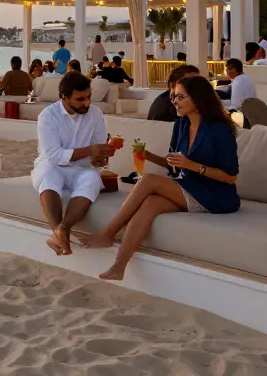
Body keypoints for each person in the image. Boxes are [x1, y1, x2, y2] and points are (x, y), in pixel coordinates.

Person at [82, 75, 239, 280]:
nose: (175, 101)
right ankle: (119, 266)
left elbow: (230, 177)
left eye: (181, 97)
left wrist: (193, 166)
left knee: (148, 180)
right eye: (174, 97)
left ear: (198, 98)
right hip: (187, 186)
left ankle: (108, 233)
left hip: (216, 195)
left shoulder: (219, 130)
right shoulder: (182, 125)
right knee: (150, 203)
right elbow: (174, 164)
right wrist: (148, 156)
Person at [32, 72, 113, 256]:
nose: (86, 103)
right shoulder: (48, 115)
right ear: (64, 97)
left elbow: (97, 153)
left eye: (89, 97)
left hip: (82, 168)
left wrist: (101, 157)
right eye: (80, 99)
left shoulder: (95, 114)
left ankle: (62, 230)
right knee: (48, 176)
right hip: (52, 166)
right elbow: (54, 156)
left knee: (92, 179)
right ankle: (58, 231)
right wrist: (91, 150)